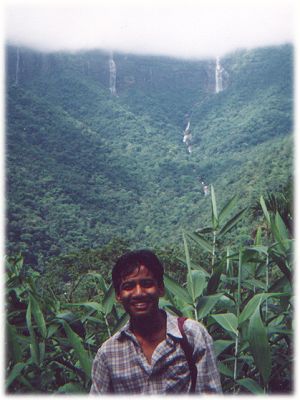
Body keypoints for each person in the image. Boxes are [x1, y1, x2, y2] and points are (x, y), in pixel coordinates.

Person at [90, 249, 222, 394]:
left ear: (161, 288)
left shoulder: (192, 336)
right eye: (129, 286)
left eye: (147, 284)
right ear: (118, 296)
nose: (139, 293)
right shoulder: (108, 353)